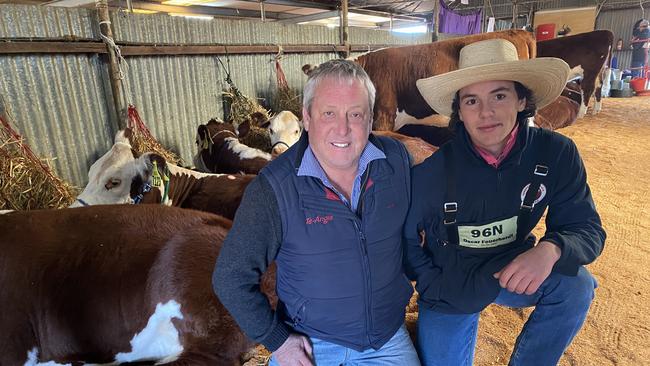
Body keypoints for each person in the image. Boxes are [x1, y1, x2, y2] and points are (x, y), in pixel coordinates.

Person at [405, 39, 606, 366]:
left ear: (522, 99)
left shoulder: (556, 153)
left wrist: (551, 248)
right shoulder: (431, 171)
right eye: (472, 100)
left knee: (576, 286)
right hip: (450, 280)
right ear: (460, 110)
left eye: (499, 95)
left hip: (514, 267)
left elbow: (585, 227)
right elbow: (405, 240)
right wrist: (430, 281)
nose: (486, 112)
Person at [214, 59, 420, 366]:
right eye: (329, 113)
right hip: (310, 343)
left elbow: (415, 234)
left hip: (385, 339)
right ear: (306, 118)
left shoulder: (396, 162)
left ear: (370, 119)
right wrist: (277, 340)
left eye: (355, 114)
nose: (343, 128)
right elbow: (230, 277)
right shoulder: (275, 188)